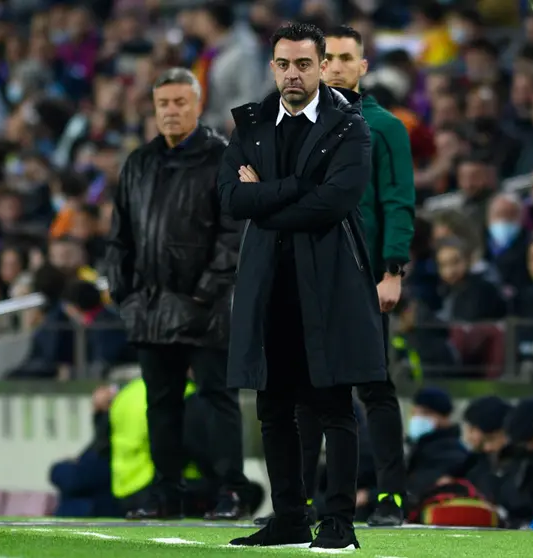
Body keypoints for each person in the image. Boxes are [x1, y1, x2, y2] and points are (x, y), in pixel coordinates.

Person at [218, 23, 385, 550]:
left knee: (334, 404)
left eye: (304, 65)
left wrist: (264, 198)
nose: (294, 74)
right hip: (269, 283)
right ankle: (290, 516)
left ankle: (337, 520)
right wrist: (292, 191)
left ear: (320, 66)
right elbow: (230, 199)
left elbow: (335, 204)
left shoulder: (350, 126)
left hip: (329, 282)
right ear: (273, 67)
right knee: (273, 409)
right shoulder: (251, 122)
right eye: (285, 65)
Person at [104, 67, 248, 521]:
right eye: (164, 103)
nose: (171, 111)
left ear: (198, 104)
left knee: (217, 397)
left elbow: (234, 233)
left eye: (180, 102)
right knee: (160, 403)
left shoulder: (222, 157)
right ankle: (166, 492)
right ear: (153, 107)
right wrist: (122, 292)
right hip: (150, 307)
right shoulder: (140, 162)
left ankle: (231, 491)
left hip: (206, 309)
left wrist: (204, 294)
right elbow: (119, 235)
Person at [296, 24, 416, 527]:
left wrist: (392, 269)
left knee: (373, 385)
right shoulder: (299, 125)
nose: (340, 66)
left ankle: (390, 497)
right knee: (306, 386)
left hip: (364, 275)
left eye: (349, 58)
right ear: (320, 66)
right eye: (332, 59)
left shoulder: (385, 127)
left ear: (363, 67)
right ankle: (301, 498)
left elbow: (397, 199)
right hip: (309, 273)